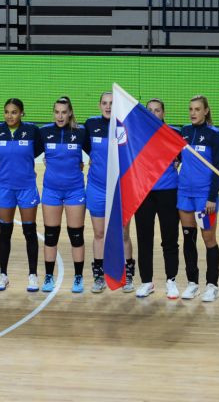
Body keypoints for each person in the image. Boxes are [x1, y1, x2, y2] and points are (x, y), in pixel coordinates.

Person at [84, 92, 135, 293]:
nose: (108, 106)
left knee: (123, 233)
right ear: (99, 106)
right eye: (104, 103)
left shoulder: (125, 126)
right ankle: (99, 276)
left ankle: (128, 274)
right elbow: (87, 148)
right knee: (99, 233)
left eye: (112, 103)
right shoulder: (90, 125)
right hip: (96, 188)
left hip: (121, 188)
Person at [0, 98, 44, 292]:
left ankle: (33, 275)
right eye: (6, 112)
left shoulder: (32, 131)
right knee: (5, 231)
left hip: (27, 188)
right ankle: (3, 275)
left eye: (14, 112)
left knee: (29, 231)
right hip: (5, 188)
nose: (9, 116)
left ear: (22, 113)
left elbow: (38, 149)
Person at [178, 95, 219, 302]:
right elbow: (178, 157)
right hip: (184, 194)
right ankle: (192, 283)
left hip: (204, 198)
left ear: (206, 111)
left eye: (197, 109)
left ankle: (212, 285)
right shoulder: (185, 132)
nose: (193, 113)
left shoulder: (215, 136)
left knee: (208, 239)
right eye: (190, 109)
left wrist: (212, 197)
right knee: (188, 238)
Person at [133, 99, 182, 299]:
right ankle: (147, 281)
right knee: (144, 238)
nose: (153, 114)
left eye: (157, 110)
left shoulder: (174, 134)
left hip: (168, 191)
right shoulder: (136, 136)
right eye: (150, 111)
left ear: (163, 113)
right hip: (143, 192)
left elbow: (183, 160)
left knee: (169, 238)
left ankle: (171, 280)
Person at [39, 96, 88, 293]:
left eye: (64, 112)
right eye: (57, 112)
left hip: (75, 190)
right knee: (51, 235)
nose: (60, 116)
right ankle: (48, 276)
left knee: (76, 235)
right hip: (51, 191)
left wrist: (89, 163)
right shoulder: (44, 132)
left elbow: (99, 151)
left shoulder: (81, 132)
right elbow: (25, 149)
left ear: (70, 113)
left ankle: (78, 277)